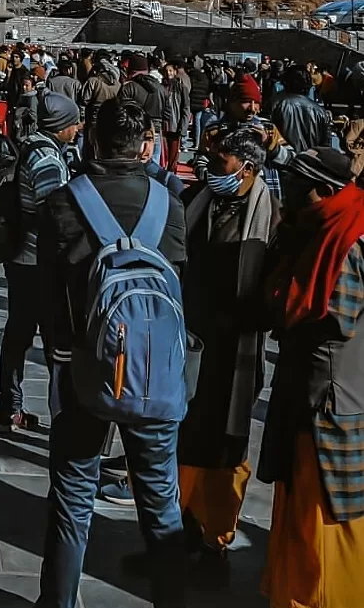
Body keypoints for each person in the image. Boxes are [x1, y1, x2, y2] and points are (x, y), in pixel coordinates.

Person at [38, 98, 189, 608]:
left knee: (73, 494)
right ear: (144, 143)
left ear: (93, 140)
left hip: (86, 365)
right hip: (155, 371)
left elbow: (51, 295)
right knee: (160, 500)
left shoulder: (64, 201)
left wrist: (58, 361)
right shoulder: (171, 203)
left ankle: (58, 601)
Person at [259, 144, 364, 608]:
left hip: (329, 399)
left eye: (300, 185)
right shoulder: (319, 228)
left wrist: (281, 301)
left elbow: (336, 321)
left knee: (322, 514)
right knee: (299, 505)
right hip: (309, 391)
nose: (291, 192)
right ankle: (290, 591)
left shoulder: (348, 240)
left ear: (321, 191)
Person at [176, 127, 278, 584]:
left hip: (237, 345)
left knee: (227, 440)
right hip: (194, 338)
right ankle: (180, 525)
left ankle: (217, 535)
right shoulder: (199, 199)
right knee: (185, 431)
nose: (210, 170)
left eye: (220, 164)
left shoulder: (271, 217)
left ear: (248, 169)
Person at [0, 91, 80, 437]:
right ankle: (60, 414)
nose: (77, 128)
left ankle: (9, 407)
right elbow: (53, 214)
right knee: (50, 340)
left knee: (19, 333)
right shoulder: (46, 159)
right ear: (60, 126)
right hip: (36, 261)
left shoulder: (32, 145)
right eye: (73, 123)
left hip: (22, 258)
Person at [271, 65, 331, 154]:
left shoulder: (277, 103)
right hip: (309, 161)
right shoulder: (320, 111)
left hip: (282, 158)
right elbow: (325, 144)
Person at [161, 59, 191, 174]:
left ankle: (171, 175)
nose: (168, 73)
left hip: (175, 125)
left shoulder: (181, 88)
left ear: (175, 72)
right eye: (166, 71)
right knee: (164, 155)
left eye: (170, 70)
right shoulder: (161, 87)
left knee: (173, 156)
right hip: (163, 125)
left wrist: (183, 127)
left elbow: (186, 108)